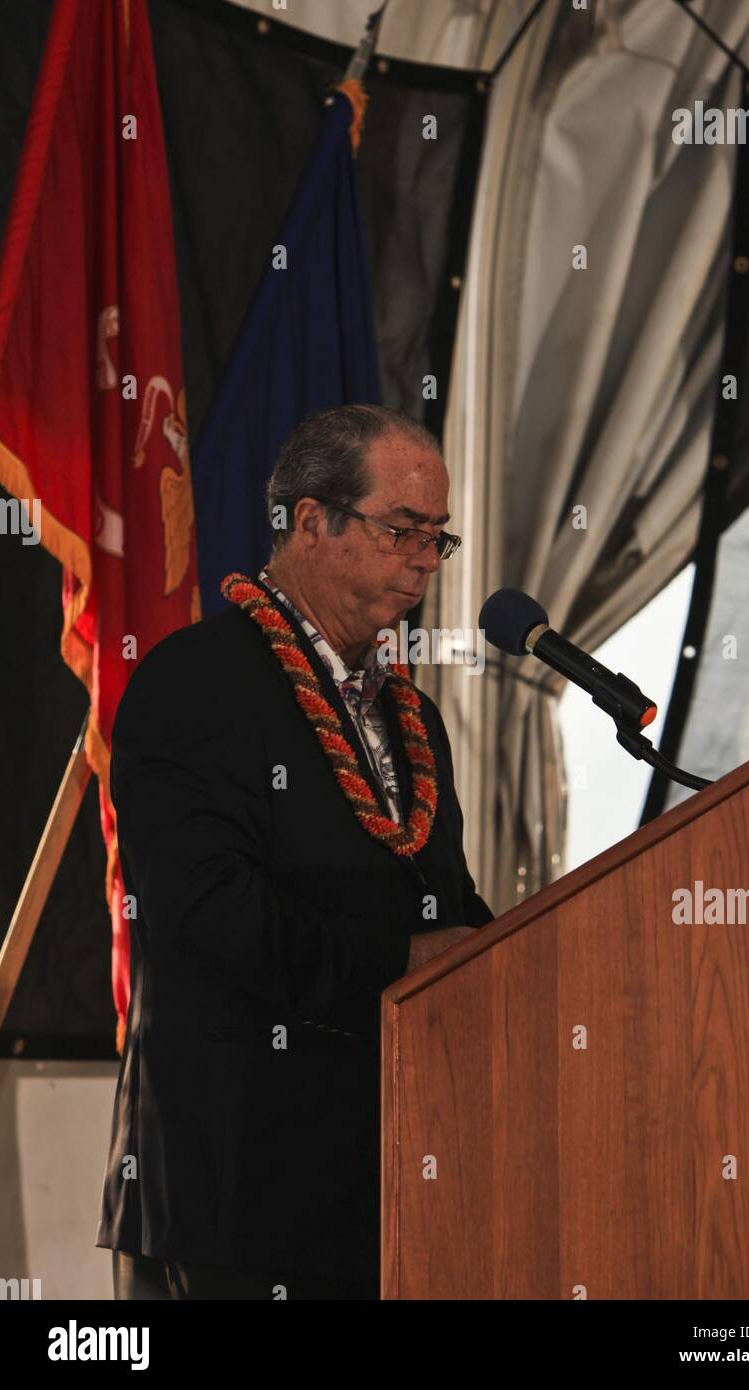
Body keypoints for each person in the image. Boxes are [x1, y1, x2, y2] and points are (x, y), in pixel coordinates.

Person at [96, 403, 494, 1300]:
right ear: (310, 521)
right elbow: (207, 917)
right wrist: (402, 961)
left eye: (439, 539)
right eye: (403, 531)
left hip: (392, 1188)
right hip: (238, 1197)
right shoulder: (195, 681)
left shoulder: (411, 715)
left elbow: (448, 910)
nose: (426, 561)